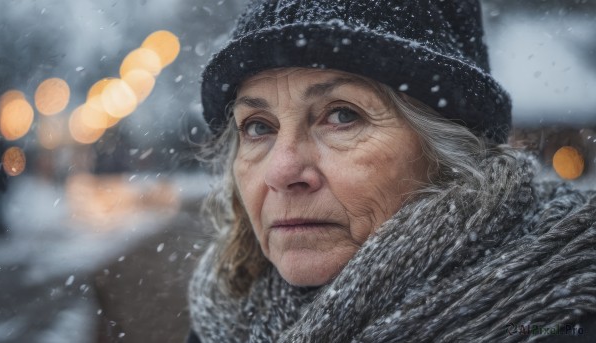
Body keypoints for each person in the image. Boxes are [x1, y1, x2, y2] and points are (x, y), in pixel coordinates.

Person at [187, 0, 596, 341]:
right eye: (258, 126)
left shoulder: (566, 316)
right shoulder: (224, 320)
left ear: (451, 154)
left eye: (342, 115)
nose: (282, 170)